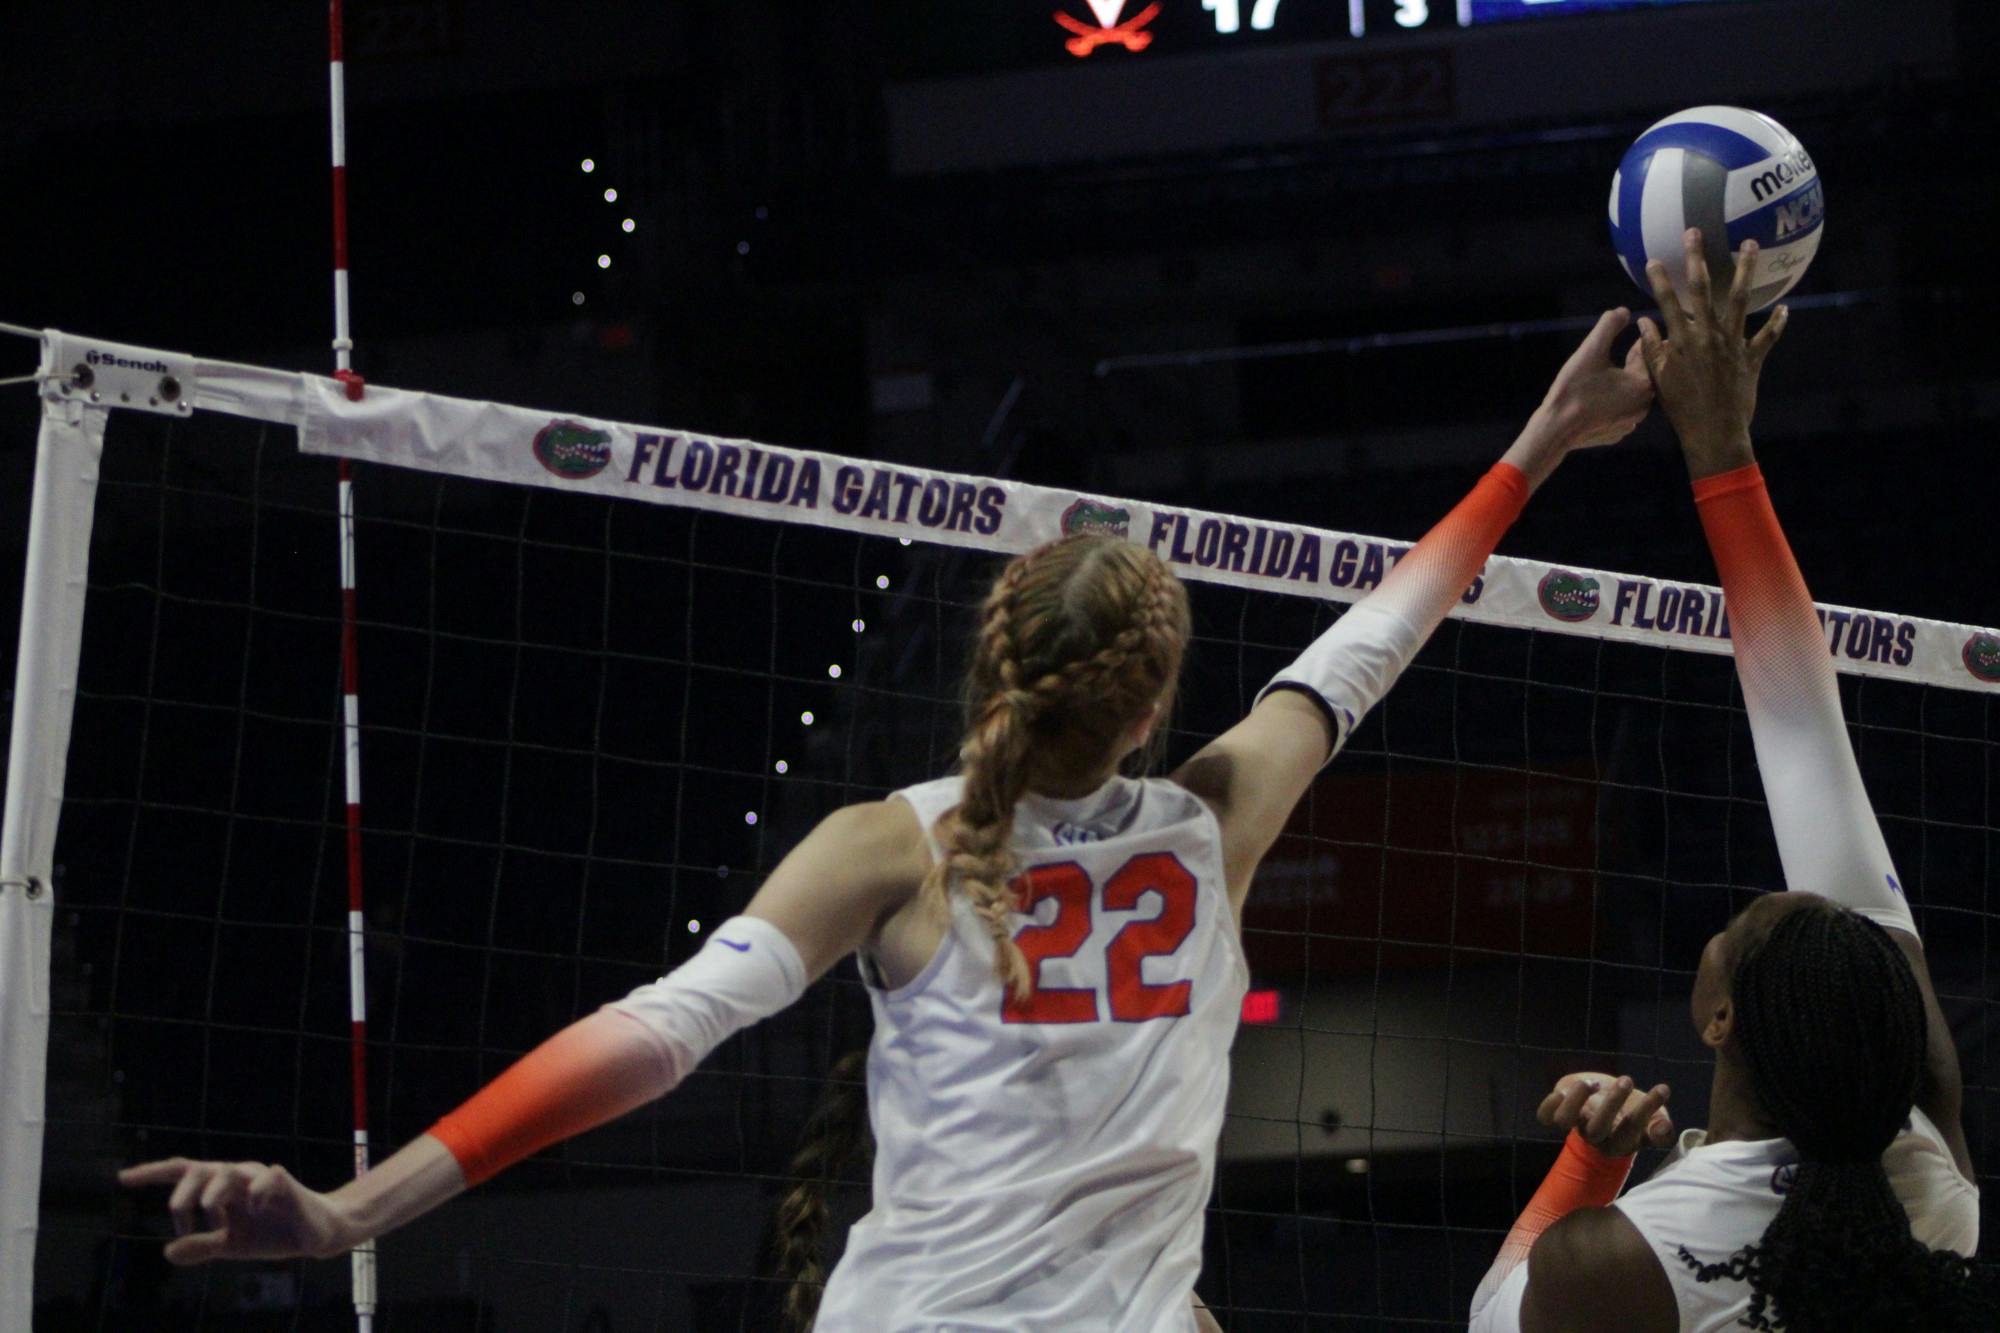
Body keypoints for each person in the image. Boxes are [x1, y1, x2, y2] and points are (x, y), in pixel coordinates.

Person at [121, 312, 1653, 1331]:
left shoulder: (885, 842)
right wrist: (1539, 441)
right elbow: (1376, 638)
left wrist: (349, 1209)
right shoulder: (1214, 822)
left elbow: (654, 1038)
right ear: (1146, 707)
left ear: (997, 661)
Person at [1466, 231, 1987, 1333]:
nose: (1780, 888)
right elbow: (1805, 735)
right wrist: (1723, 451)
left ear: (1714, 1017)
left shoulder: (1618, 1253)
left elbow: (1489, 1320)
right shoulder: (1934, 1182)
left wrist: (1588, 1163)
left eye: (1755, 921)